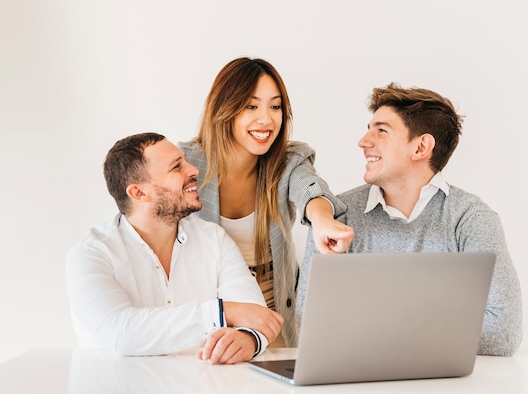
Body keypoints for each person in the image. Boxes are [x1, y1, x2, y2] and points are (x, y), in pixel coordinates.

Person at [298, 82, 523, 356]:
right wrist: (441, 322)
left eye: (381, 131)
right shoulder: (334, 216)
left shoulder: (472, 219)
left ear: (421, 148)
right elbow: (309, 322)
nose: (363, 142)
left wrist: (370, 323)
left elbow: (503, 331)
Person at [65, 132, 284, 364]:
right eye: (176, 167)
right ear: (139, 193)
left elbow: (256, 316)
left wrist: (247, 339)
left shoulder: (214, 239)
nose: (193, 170)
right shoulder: (91, 254)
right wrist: (221, 313)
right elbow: (122, 333)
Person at [179, 57, 354, 347]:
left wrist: (323, 221)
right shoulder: (187, 162)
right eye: (251, 106)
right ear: (224, 108)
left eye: (275, 107)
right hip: (210, 310)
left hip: (271, 313)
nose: (266, 119)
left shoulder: (287, 161)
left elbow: (310, 190)